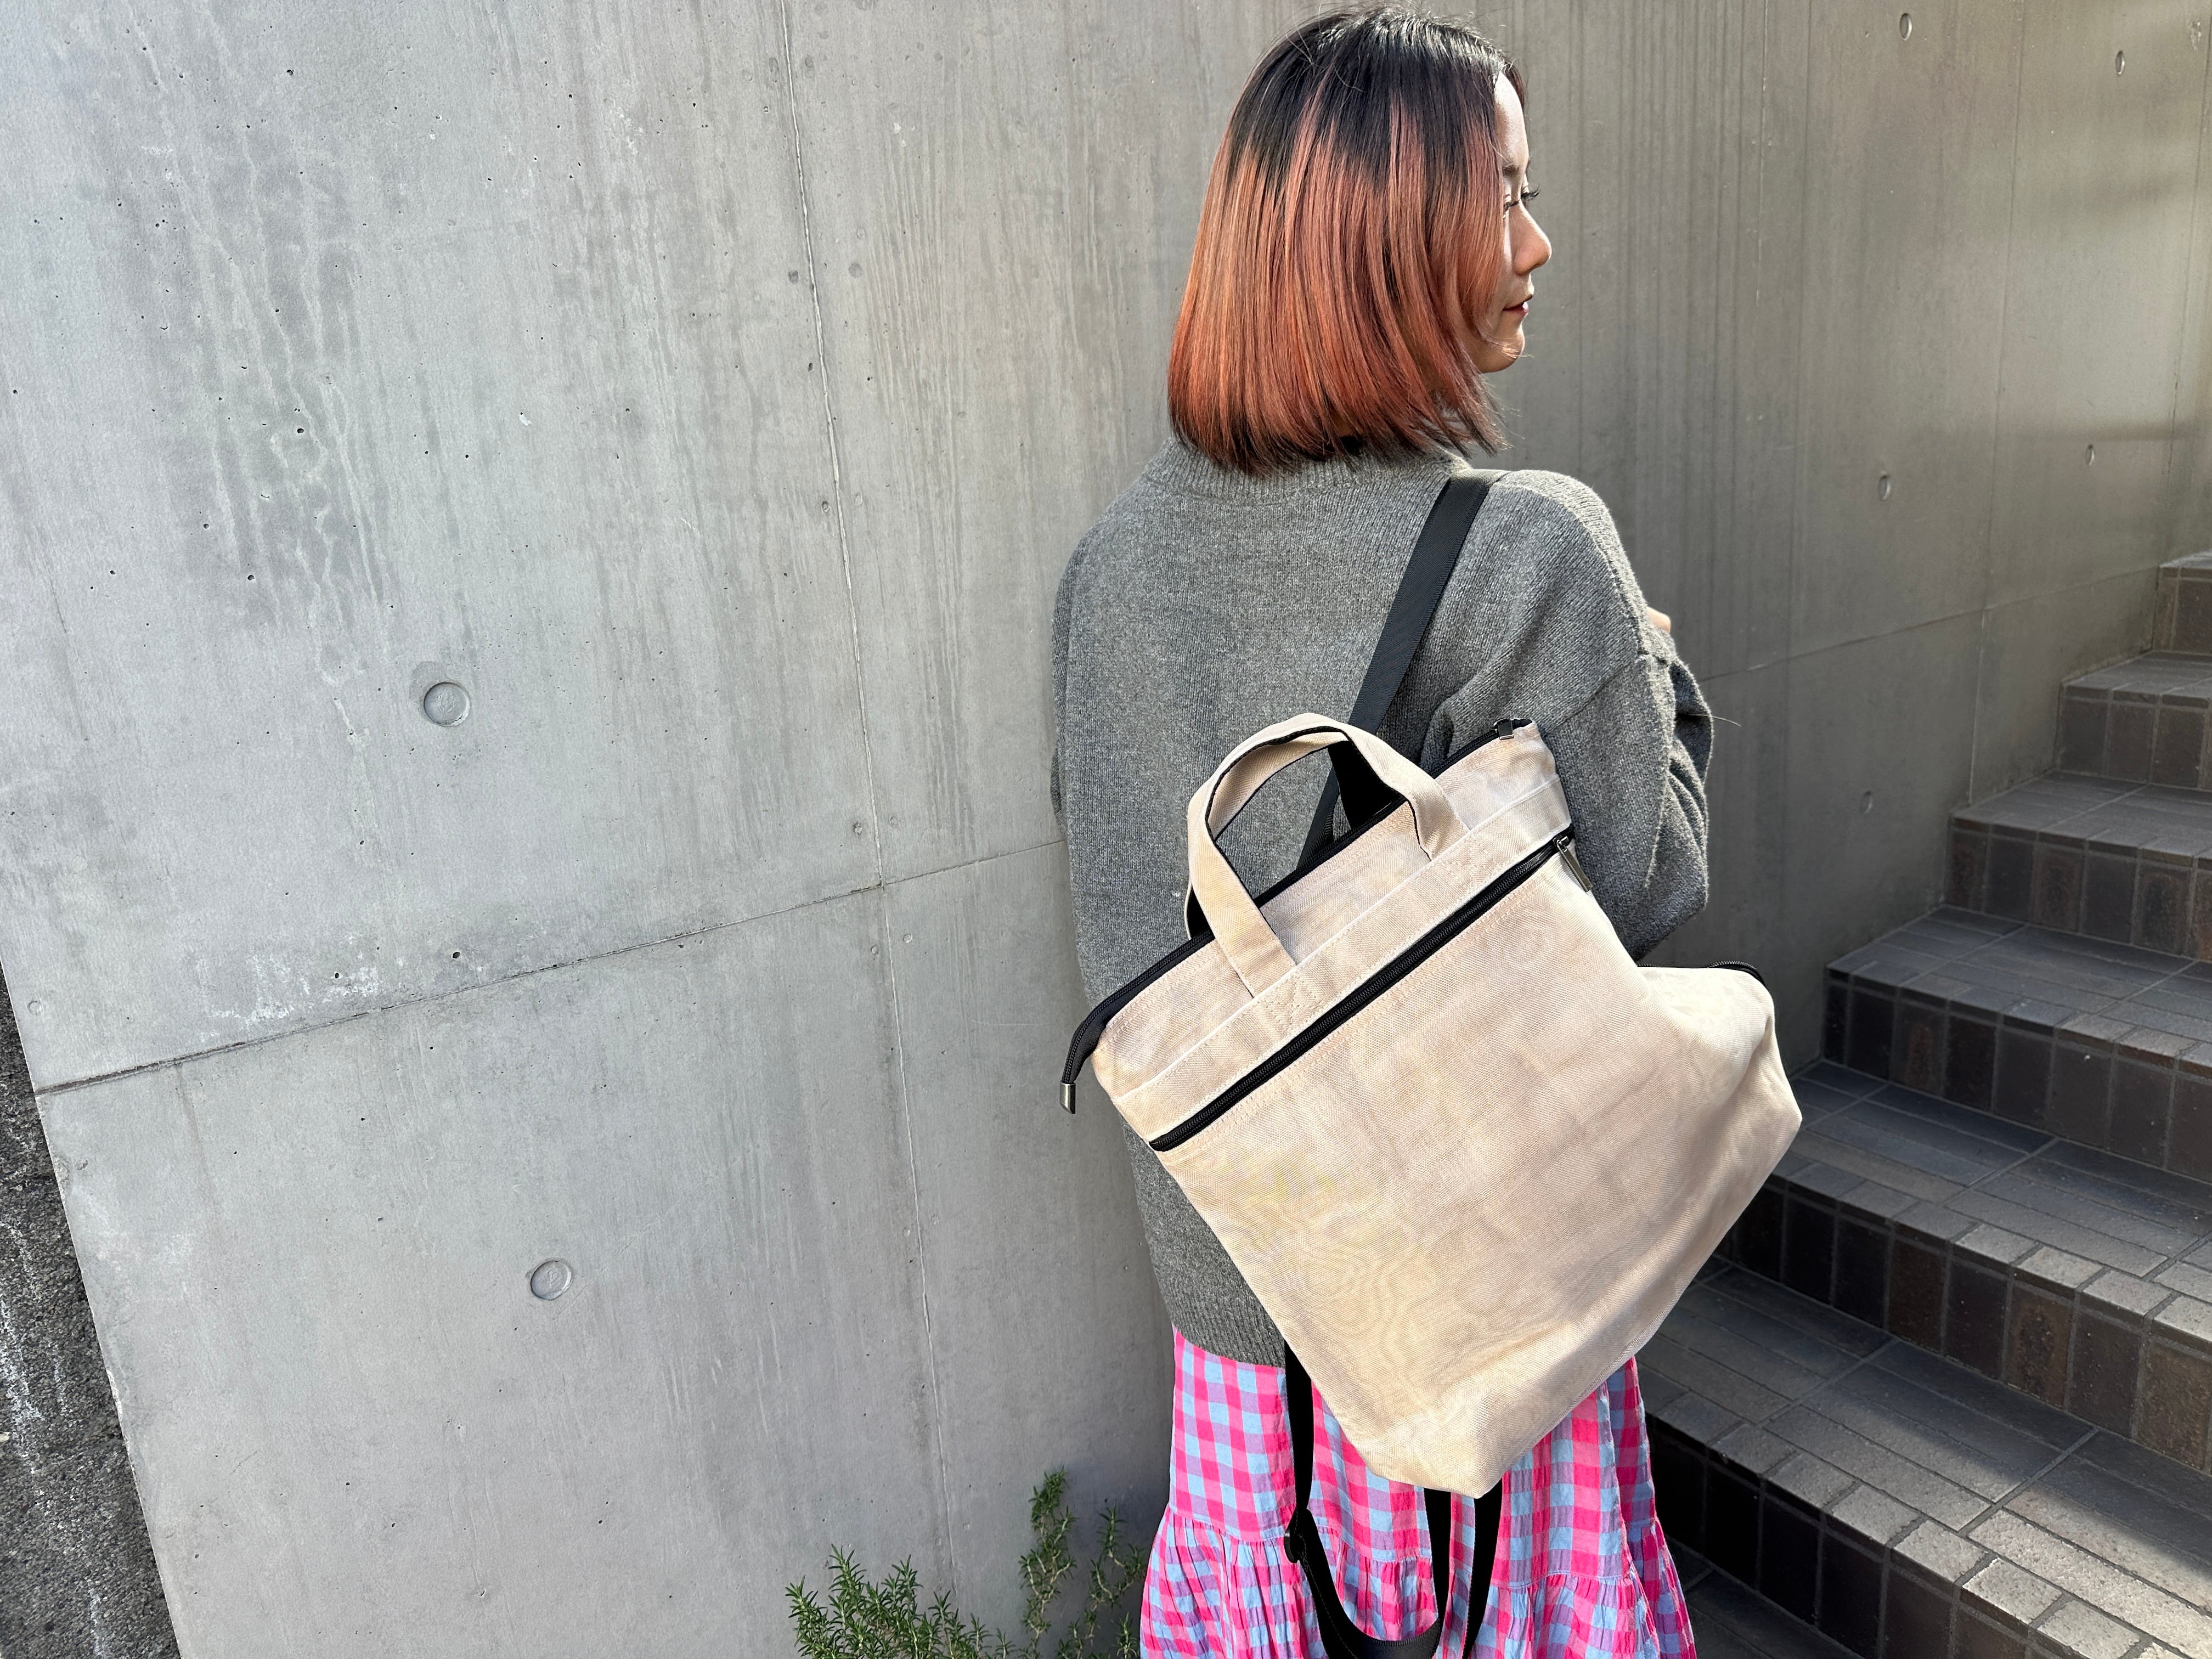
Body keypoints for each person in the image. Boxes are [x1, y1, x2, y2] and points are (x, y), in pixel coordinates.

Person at [1051, 9, 1711, 1657]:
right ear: (1388, 239)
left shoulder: (1111, 566)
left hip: (1243, 1294)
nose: (1539, 246)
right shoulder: (1531, 547)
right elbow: (1641, 891)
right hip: (1471, 1284)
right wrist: (1657, 670)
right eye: (1507, 198)